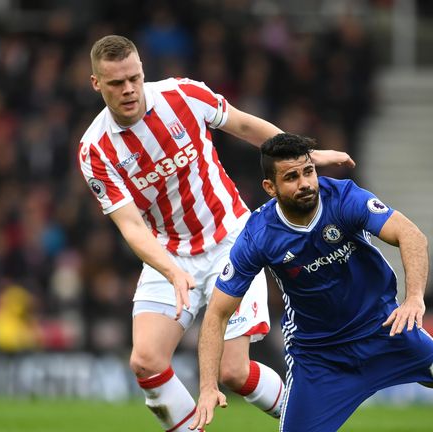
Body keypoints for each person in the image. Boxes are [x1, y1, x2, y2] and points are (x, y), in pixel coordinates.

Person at [190, 133, 433, 432]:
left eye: (308, 172)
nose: (305, 183)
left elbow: (410, 235)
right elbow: (217, 314)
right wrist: (208, 387)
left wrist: (414, 298)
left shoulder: (343, 198)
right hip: (320, 356)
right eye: (292, 177)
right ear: (270, 188)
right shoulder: (258, 235)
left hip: (383, 327)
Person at [78, 35, 354, 432]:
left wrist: (305, 156)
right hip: (168, 254)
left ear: (143, 72)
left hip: (232, 243)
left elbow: (243, 124)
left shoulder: (182, 96)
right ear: (95, 84)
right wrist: (171, 271)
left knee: (233, 372)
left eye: (134, 79)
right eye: (116, 83)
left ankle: (312, 420)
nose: (129, 90)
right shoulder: (96, 149)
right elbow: (131, 226)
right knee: (146, 361)